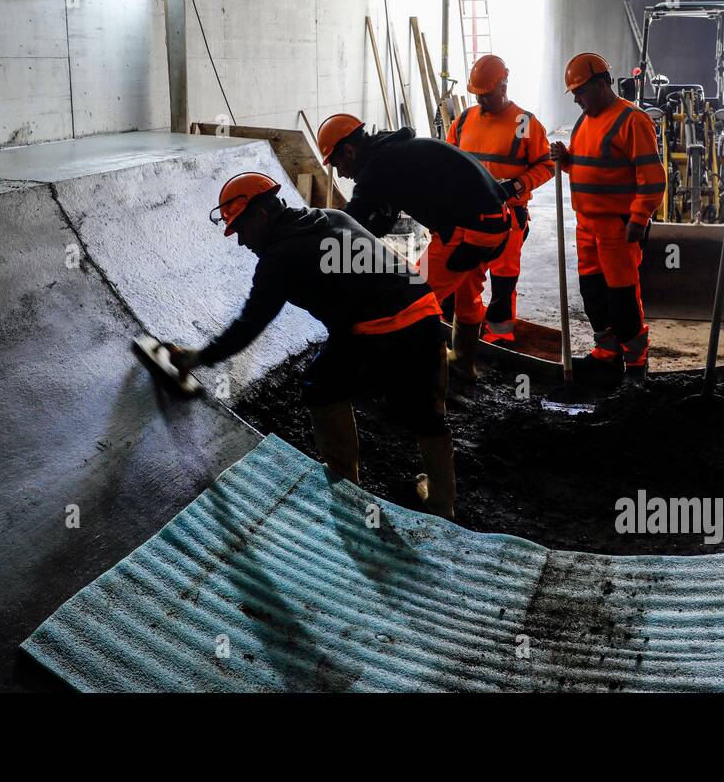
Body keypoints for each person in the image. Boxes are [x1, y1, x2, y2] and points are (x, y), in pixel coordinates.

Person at [169, 172, 456, 518]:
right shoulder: (331, 217)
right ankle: (443, 505)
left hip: (377, 329)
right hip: (426, 313)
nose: (241, 242)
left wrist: (199, 357)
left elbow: (249, 325)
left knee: (320, 386)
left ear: (261, 214)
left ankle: (344, 486)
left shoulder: (278, 258)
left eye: (240, 230)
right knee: (428, 415)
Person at [315, 113, 512, 380]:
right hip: (495, 221)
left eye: (336, 164)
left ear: (348, 151)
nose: (340, 173)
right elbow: (385, 217)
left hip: (469, 230)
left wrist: (322, 254)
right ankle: (463, 365)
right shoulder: (391, 152)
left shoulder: (377, 167)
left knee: (413, 299)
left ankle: (424, 381)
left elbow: (351, 220)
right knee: (467, 294)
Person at [550, 52, 666, 383]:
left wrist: (638, 218)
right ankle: (608, 352)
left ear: (602, 84)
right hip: (586, 225)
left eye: (580, 92)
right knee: (593, 295)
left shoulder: (632, 120)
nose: (577, 99)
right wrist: (567, 159)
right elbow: (591, 167)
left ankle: (635, 361)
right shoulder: (584, 121)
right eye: (573, 93)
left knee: (623, 300)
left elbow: (652, 178)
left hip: (618, 227)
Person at [446, 54, 554, 343]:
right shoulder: (465, 119)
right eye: (477, 95)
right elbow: (449, 160)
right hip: (470, 217)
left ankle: (500, 333)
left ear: (504, 85)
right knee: (467, 276)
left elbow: (547, 165)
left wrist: (517, 185)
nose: (481, 101)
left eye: (487, 94)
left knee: (504, 278)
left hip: (508, 217)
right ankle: (468, 329)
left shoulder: (523, 122)